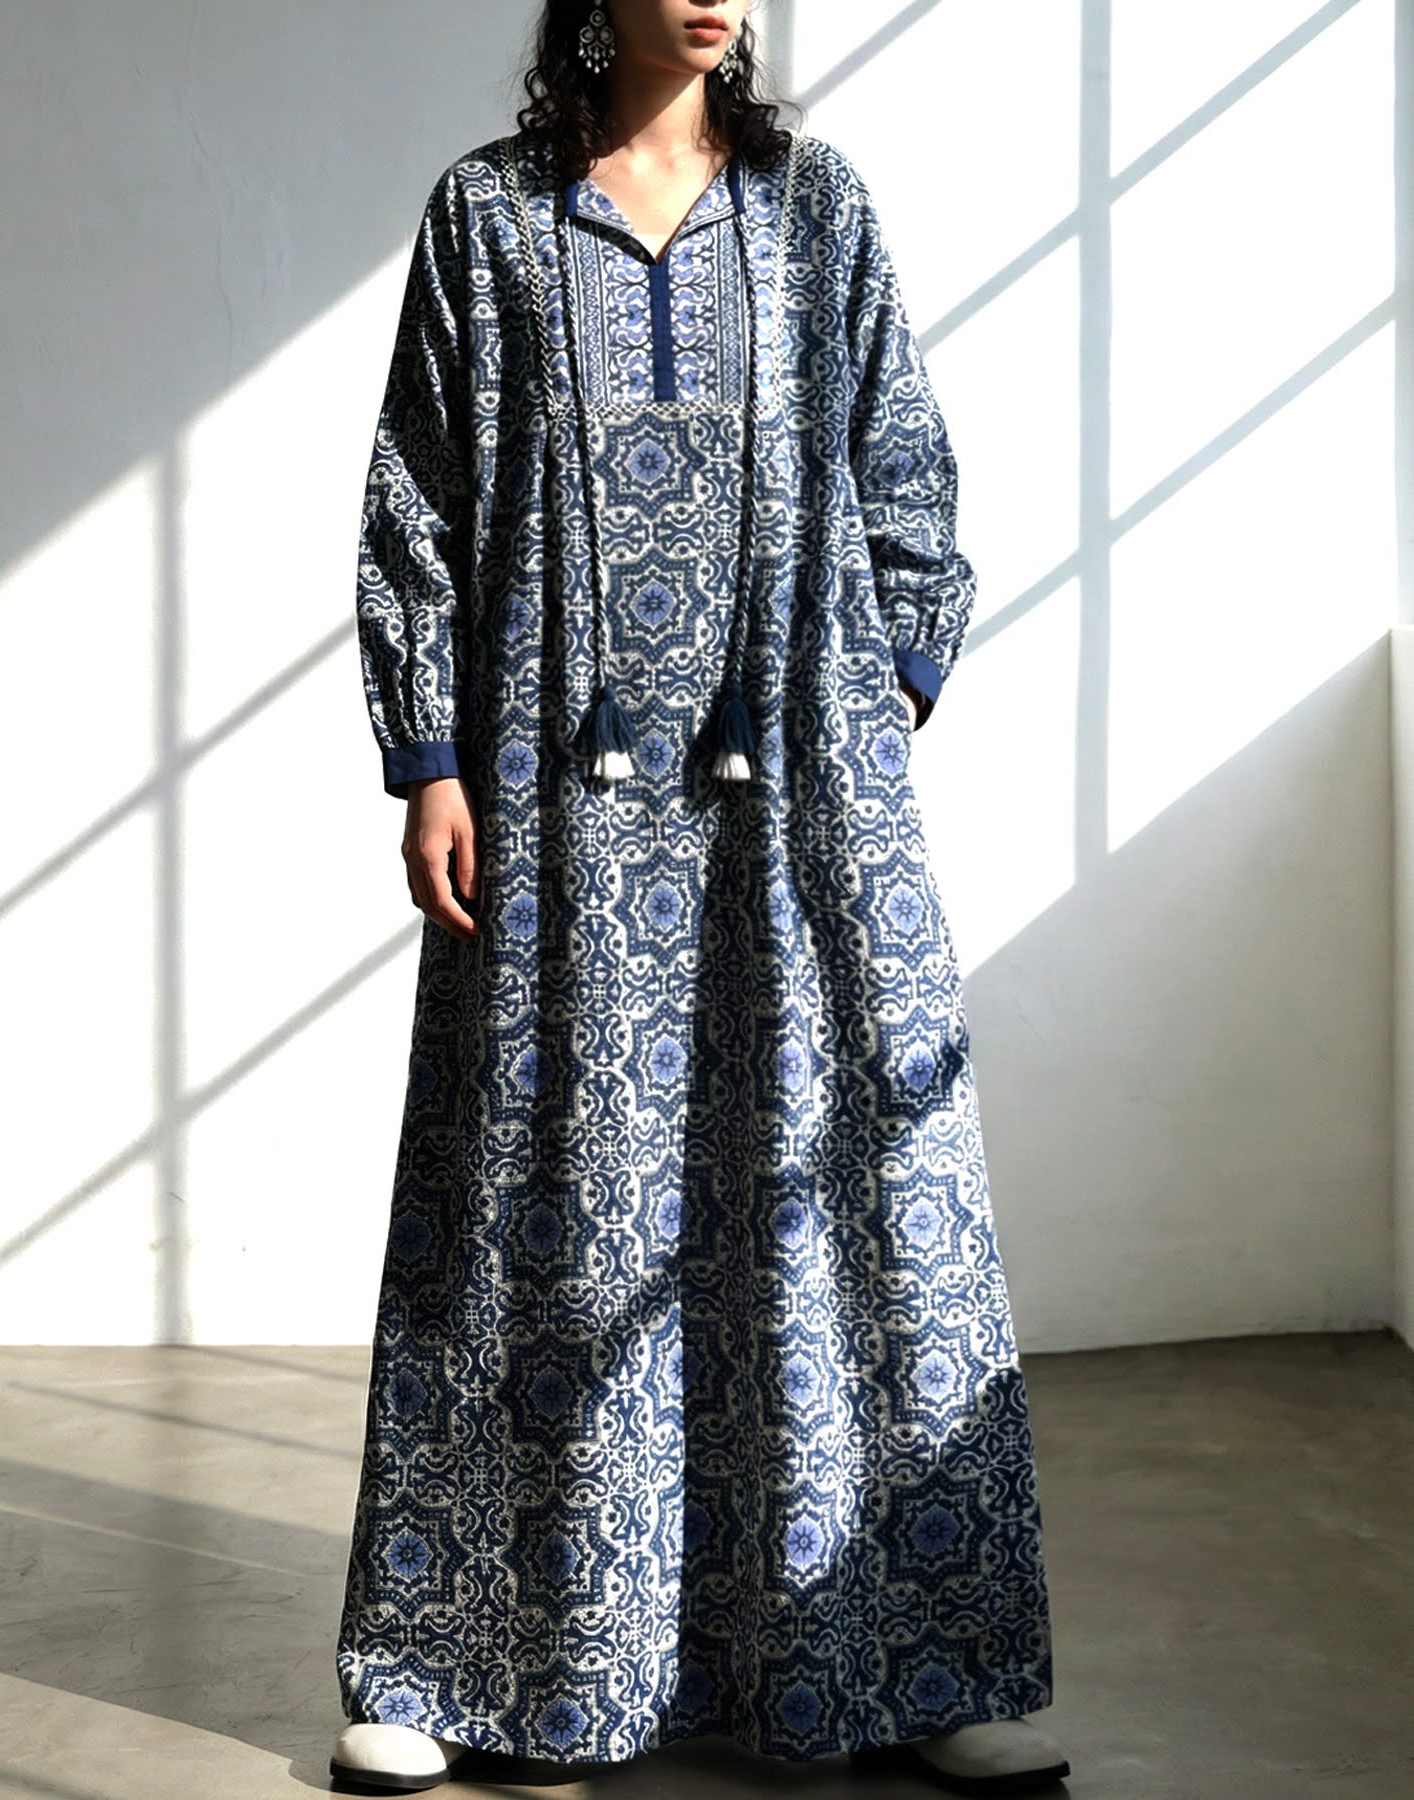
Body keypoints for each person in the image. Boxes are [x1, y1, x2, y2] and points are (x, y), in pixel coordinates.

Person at [329, 3, 1070, 1794]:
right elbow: (418, 494)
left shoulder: (817, 207)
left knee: (854, 1185)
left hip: (794, 795)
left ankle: (906, 1666)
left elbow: (907, 463)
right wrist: (428, 757)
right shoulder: (490, 215)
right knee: (530, 1196)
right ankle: (464, 1664)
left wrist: (886, 687)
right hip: (550, 801)